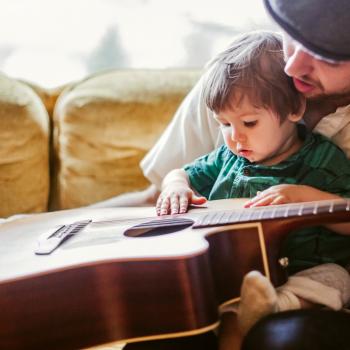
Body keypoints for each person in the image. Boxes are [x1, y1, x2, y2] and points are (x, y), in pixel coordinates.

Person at [156, 29, 350, 335]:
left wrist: (305, 196)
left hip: (305, 269)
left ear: (294, 110)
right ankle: (252, 308)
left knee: (336, 279)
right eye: (224, 124)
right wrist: (175, 187)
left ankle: (277, 306)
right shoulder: (227, 158)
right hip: (237, 270)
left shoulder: (325, 160)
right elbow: (180, 173)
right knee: (224, 302)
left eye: (249, 123)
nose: (236, 137)